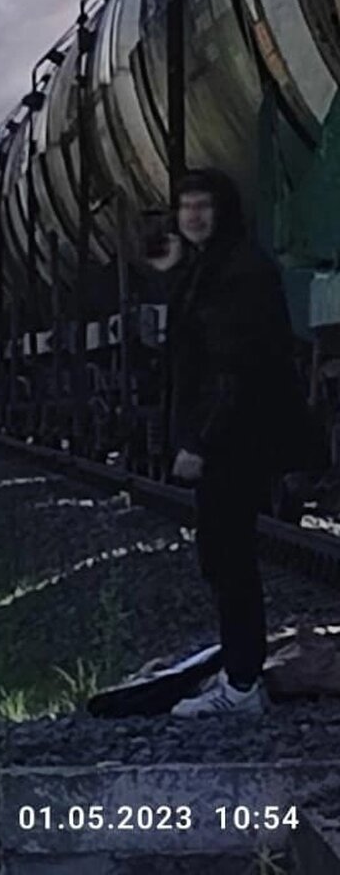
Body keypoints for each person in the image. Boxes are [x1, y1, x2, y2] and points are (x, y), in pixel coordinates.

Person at [147, 168, 313, 716]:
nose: (192, 216)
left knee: (228, 558)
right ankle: (241, 673)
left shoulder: (236, 273)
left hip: (234, 440)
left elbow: (231, 368)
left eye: (203, 207)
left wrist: (198, 441)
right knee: (224, 557)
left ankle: (242, 685)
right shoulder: (220, 265)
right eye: (186, 207)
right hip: (237, 435)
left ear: (224, 212)